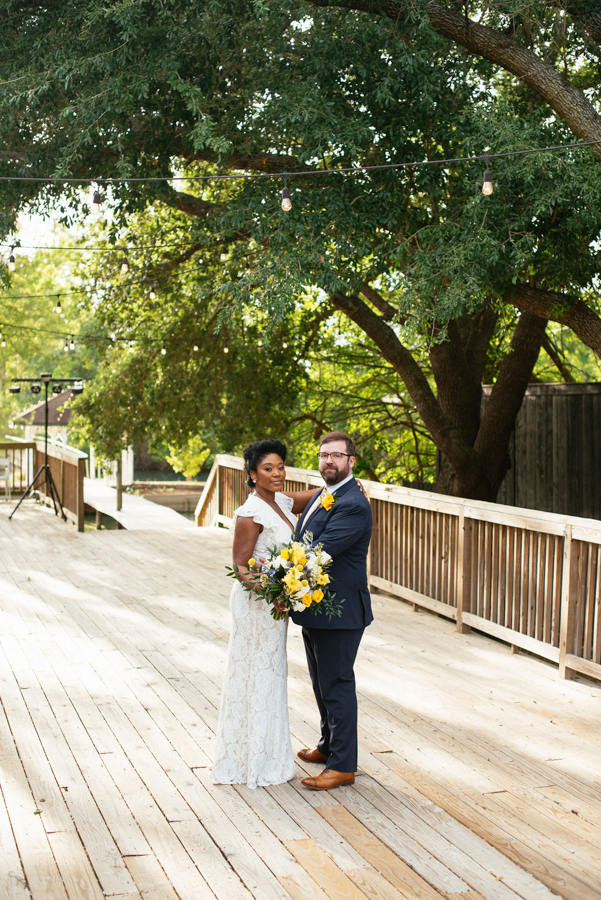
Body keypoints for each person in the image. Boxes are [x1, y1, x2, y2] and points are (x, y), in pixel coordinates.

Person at [211, 438, 320, 789]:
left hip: (276, 607)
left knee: (271, 675)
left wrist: (346, 484)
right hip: (256, 606)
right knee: (252, 674)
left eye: (280, 467)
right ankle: (247, 758)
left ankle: (268, 752)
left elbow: (318, 496)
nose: (277, 474)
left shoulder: (284, 503)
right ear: (253, 474)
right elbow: (240, 567)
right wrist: (274, 592)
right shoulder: (249, 513)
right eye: (268, 469)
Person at [290, 430, 373, 791]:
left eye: (336, 456)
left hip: (340, 612)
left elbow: (317, 553)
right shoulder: (325, 494)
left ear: (351, 462)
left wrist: (277, 580)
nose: (328, 461)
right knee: (321, 682)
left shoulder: (353, 503)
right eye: (324, 455)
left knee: (337, 684)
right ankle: (328, 746)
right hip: (317, 608)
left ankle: (343, 765)